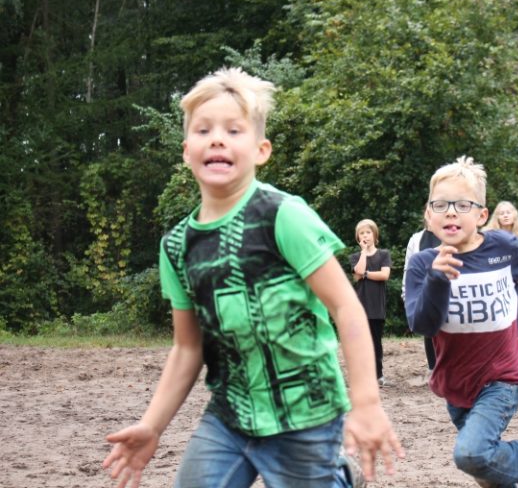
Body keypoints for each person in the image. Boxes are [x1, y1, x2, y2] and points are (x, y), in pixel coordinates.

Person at [102, 67, 403, 488]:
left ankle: (340, 477)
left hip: (306, 414)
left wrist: (366, 402)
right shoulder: (177, 247)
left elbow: (345, 307)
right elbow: (188, 347)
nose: (217, 139)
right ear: (186, 151)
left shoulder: (283, 216)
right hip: (230, 414)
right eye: (203, 130)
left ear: (261, 150)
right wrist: (152, 425)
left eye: (233, 130)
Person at [404, 156, 518, 488]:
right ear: (428, 216)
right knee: (486, 469)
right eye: (441, 205)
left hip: (503, 377)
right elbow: (422, 325)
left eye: (463, 205)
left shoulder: (503, 248)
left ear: (481, 216)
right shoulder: (422, 264)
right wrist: (437, 279)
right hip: (456, 382)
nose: (451, 212)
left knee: (471, 454)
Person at [350, 219, 392, 387]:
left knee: (376, 343)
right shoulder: (355, 257)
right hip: (360, 307)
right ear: (358, 237)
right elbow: (358, 271)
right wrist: (363, 253)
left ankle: (378, 376)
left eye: (368, 232)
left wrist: (366, 274)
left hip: (376, 307)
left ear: (375, 235)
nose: (365, 236)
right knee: (360, 344)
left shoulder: (383, 254)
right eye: (362, 233)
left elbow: (384, 275)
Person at [402, 214, 441, 375]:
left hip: (446, 290)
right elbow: (409, 267)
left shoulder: (448, 235)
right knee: (429, 332)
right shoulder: (416, 239)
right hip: (423, 290)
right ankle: (433, 370)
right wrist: (406, 292)